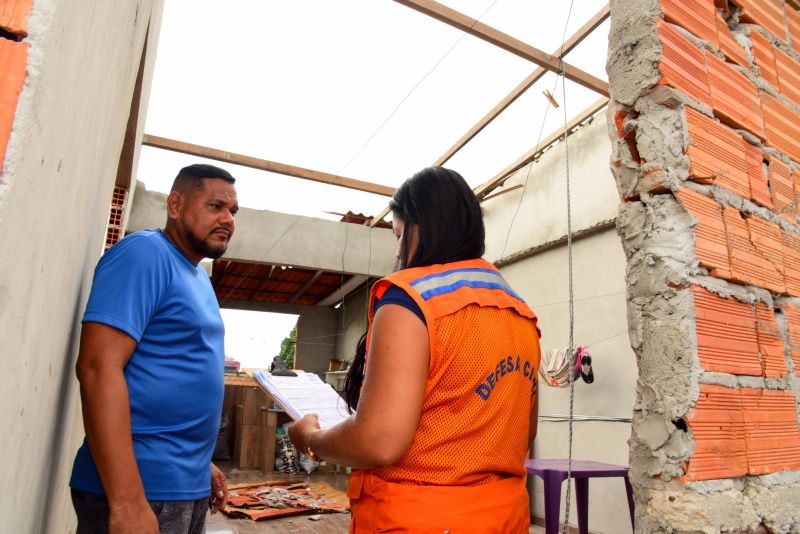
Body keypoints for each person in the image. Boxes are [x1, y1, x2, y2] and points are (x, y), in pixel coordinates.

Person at [288, 166, 541, 533]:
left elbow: (378, 441)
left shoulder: (412, 299)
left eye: (399, 233)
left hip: (419, 520)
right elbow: (523, 431)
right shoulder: (519, 313)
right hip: (504, 517)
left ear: (420, 226)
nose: (398, 249)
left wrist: (311, 440)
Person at [69, 164, 239, 534]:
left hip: (180, 486)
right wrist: (127, 501)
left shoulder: (196, 275)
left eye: (232, 211)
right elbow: (97, 367)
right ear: (175, 205)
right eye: (215, 206)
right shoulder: (144, 254)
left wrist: (200, 466)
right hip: (142, 489)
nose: (227, 219)